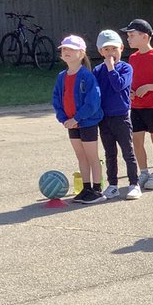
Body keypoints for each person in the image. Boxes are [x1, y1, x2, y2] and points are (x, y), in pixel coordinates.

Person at [52, 34, 103, 203]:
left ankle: (97, 190)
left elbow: (93, 102)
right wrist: (64, 118)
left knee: (92, 157)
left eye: (71, 49)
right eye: (64, 49)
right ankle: (86, 187)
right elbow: (57, 99)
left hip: (86, 123)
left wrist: (77, 118)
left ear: (81, 54)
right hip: (71, 124)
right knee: (81, 156)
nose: (66, 51)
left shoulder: (87, 76)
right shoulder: (61, 76)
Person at [93, 29, 141, 200]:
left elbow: (119, 85)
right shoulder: (97, 71)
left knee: (128, 152)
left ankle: (134, 184)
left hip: (121, 116)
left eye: (114, 48)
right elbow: (95, 92)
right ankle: (112, 184)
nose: (110, 53)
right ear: (100, 52)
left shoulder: (125, 68)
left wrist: (111, 68)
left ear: (121, 48)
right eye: (106, 50)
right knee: (109, 153)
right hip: (104, 118)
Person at [125, 18, 153, 190]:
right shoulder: (133, 57)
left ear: (145, 37)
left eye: (132, 35)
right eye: (128, 35)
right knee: (136, 141)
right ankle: (143, 172)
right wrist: (129, 91)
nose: (128, 38)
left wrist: (149, 87)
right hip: (136, 107)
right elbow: (131, 81)